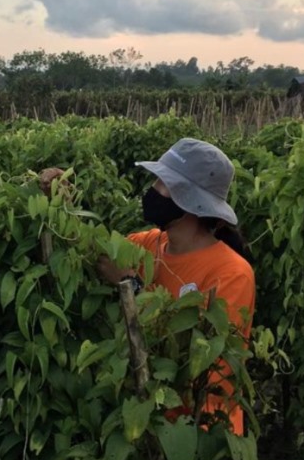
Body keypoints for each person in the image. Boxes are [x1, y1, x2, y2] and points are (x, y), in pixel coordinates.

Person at [97, 137, 254, 436]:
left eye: (162, 183)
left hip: (201, 432)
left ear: (188, 198)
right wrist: (58, 201)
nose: (152, 191)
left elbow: (202, 367)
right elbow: (98, 253)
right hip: (151, 421)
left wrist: (132, 286)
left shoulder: (232, 273)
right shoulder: (150, 244)